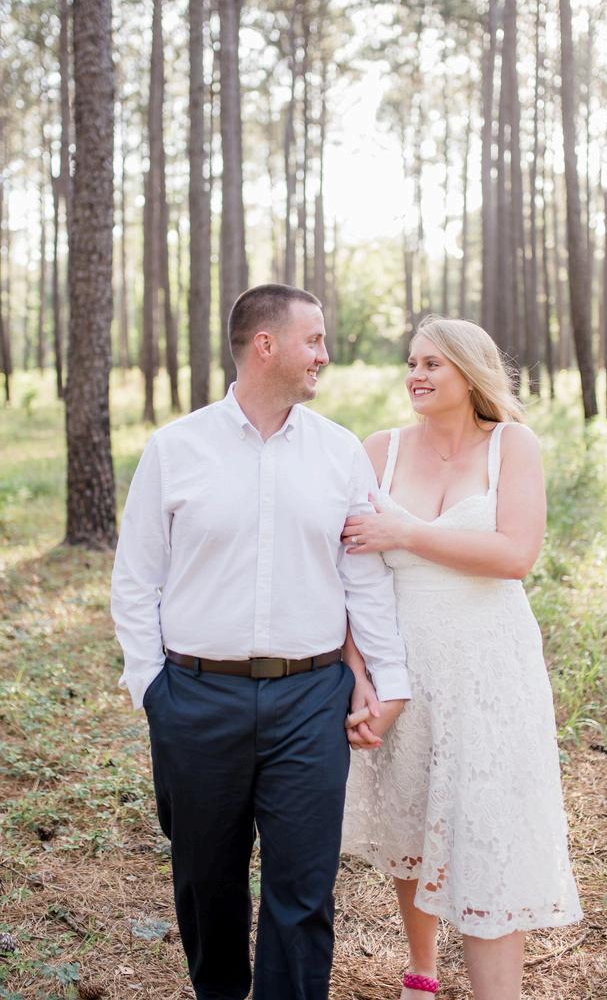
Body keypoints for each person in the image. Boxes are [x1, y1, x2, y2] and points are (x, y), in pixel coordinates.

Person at [110, 283, 410, 1000]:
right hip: (195, 698)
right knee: (205, 881)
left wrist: (389, 678)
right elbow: (136, 578)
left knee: (303, 891)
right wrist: (153, 688)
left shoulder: (339, 451)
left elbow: (362, 577)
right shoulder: (176, 448)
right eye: (315, 339)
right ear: (265, 345)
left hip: (311, 700)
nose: (325, 355)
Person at [340, 316, 582, 1000]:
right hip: (404, 666)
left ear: (470, 373)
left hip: (489, 668)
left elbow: (515, 555)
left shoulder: (512, 445)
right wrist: (358, 672)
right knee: (412, 817)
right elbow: (352, 574)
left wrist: (406, 531)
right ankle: (421, 972)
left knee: (486, 830)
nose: (415, 375)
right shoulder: (379, 450)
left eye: (432, 364)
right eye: (411, 362)